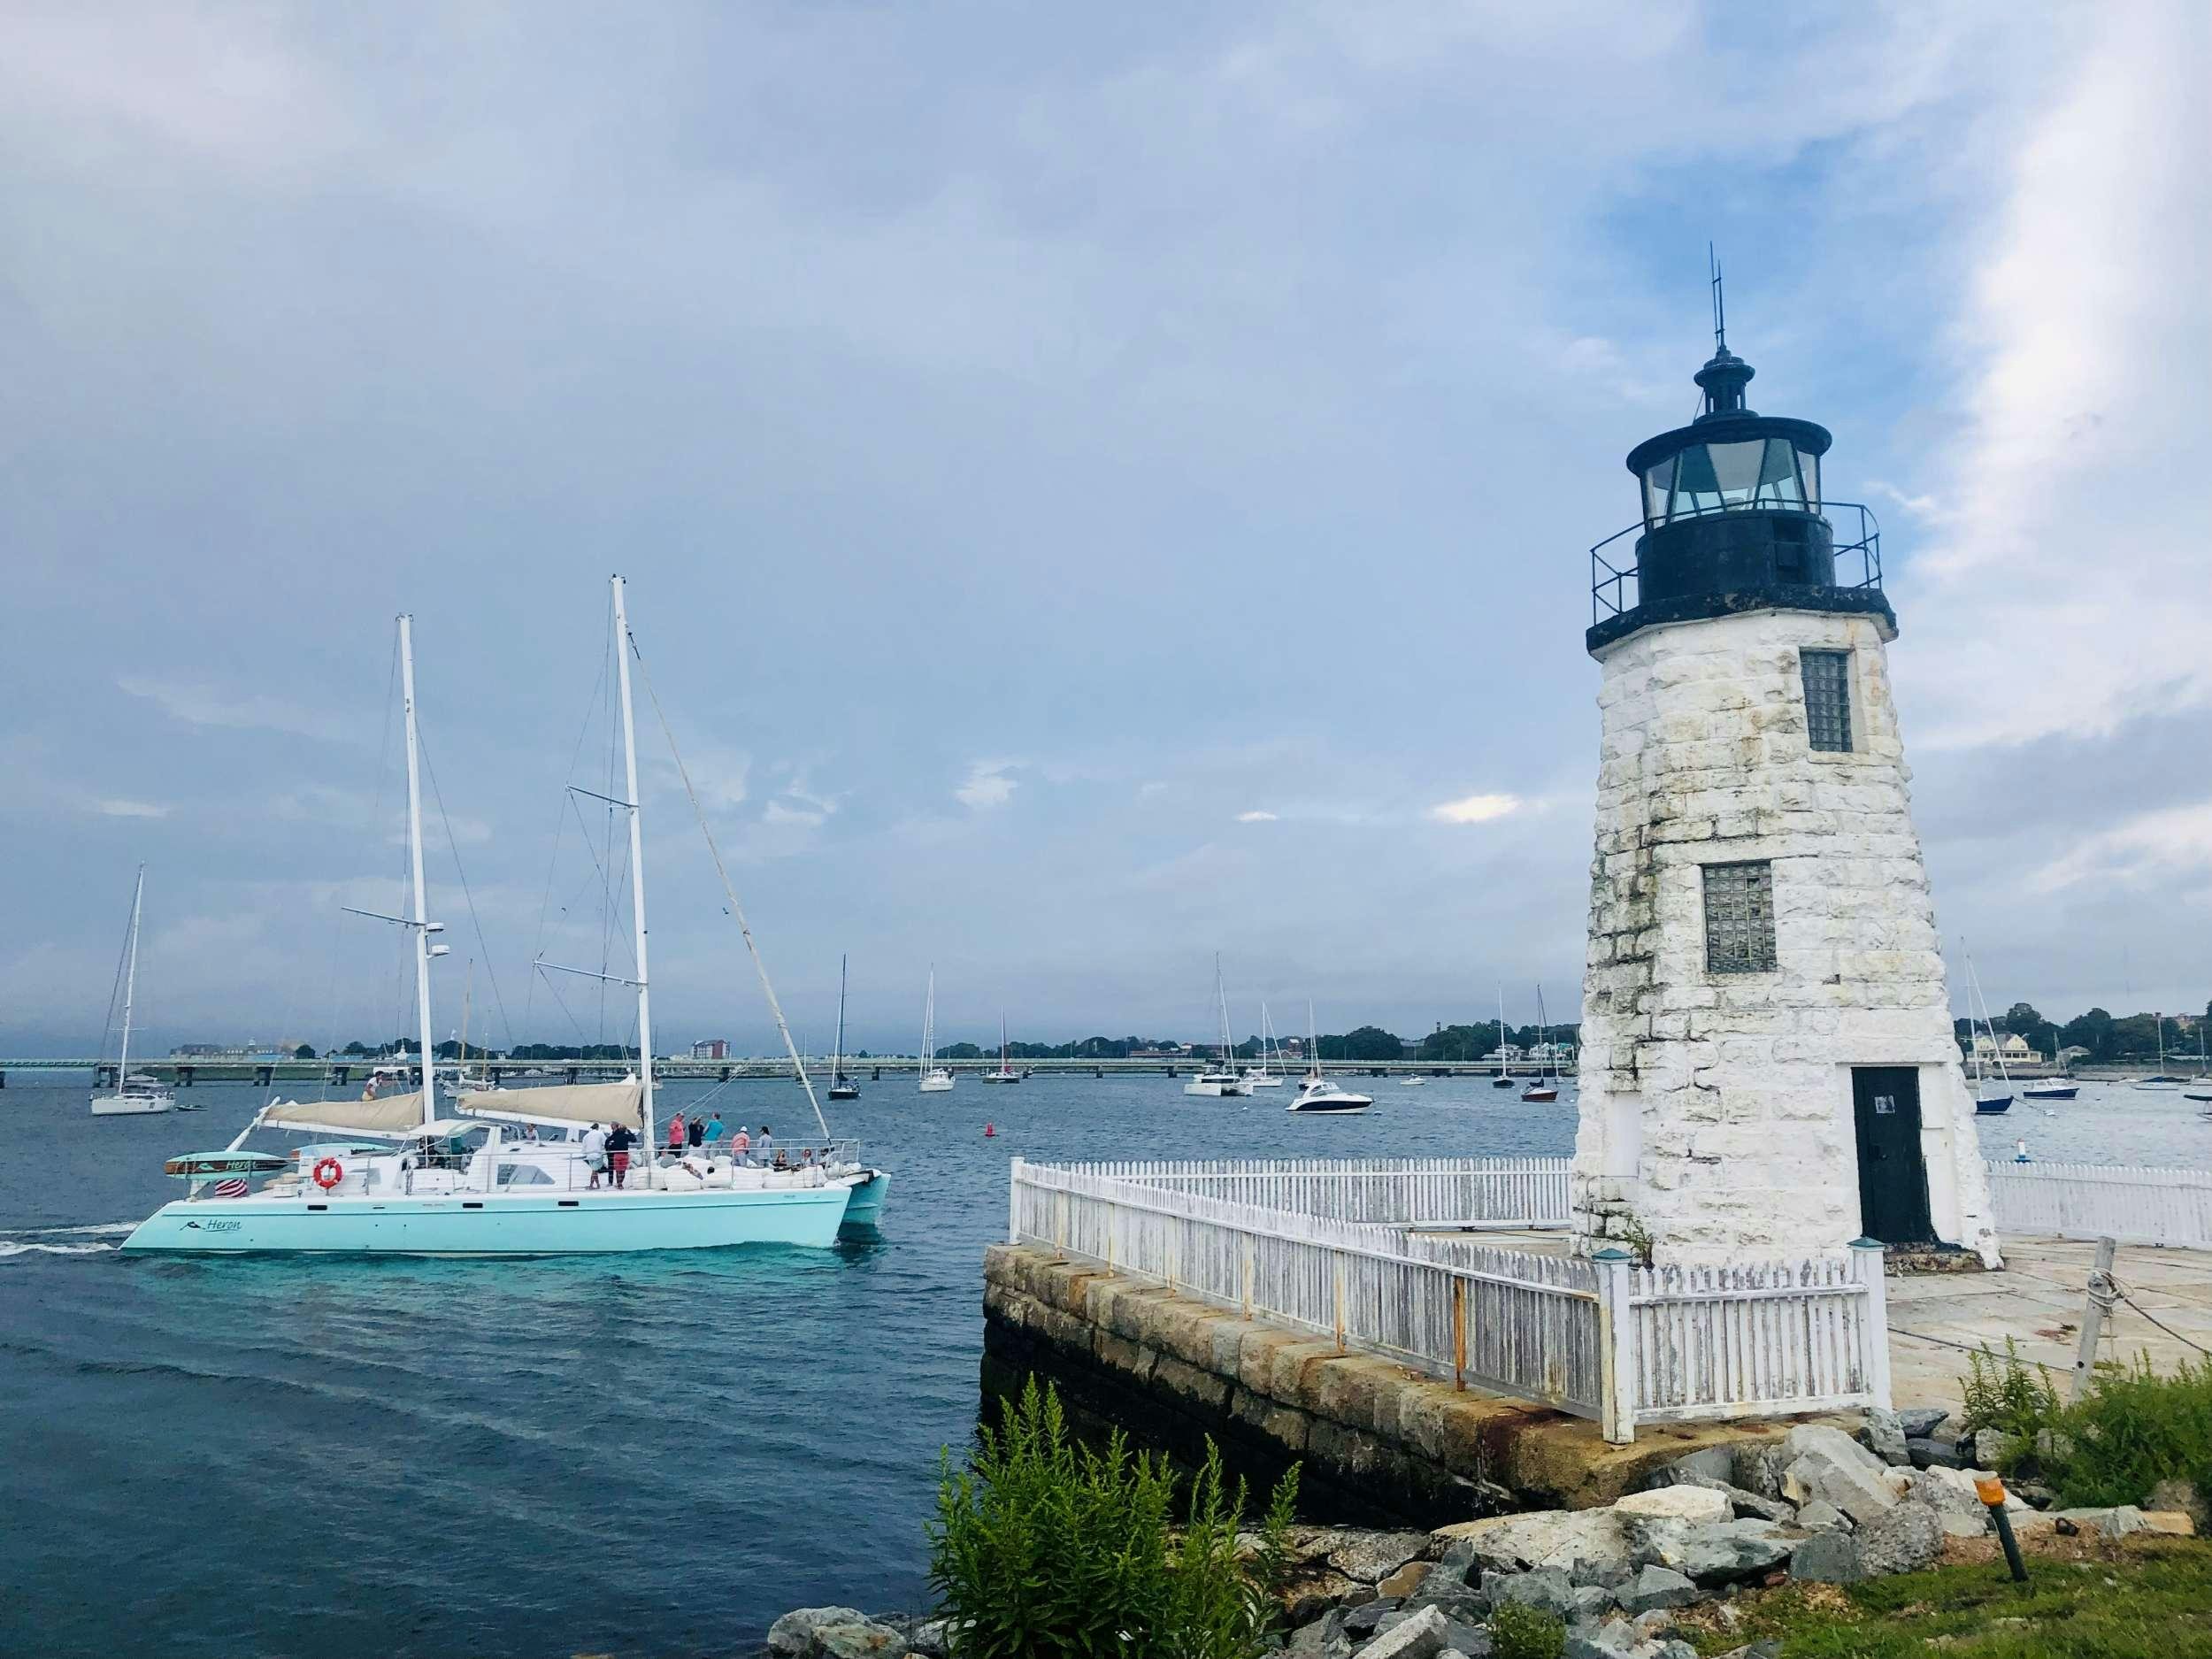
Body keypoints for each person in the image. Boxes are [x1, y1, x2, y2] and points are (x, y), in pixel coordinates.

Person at [605, 1121, 636, 1188]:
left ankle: (619, 1184)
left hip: (617, 1155)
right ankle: (620, 1183)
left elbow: (608, 1140)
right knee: (623, 1171)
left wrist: (608, 1149)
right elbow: (634, 1140)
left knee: (618, 1171)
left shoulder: (615, 1135)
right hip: (624, 1155)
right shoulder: (626, 1136)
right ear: (625, 1130)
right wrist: (630, 1132)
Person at [581, 1121, 609, 1190]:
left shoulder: (586, 1136)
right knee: (594, 1171)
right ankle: (591, 1185)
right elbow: (606, 1142)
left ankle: (598, 1185)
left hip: (589, 1155)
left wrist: (585, 1154)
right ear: (597, 1128)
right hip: (597, 1155)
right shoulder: (600, 1133)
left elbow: (584, 1146)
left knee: (594, 1171)